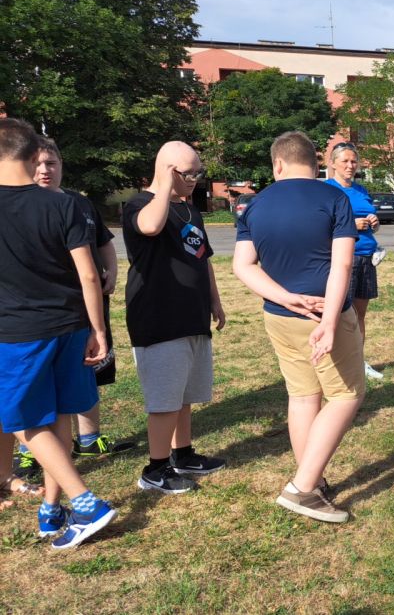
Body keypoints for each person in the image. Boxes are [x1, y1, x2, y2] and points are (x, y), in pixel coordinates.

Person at [234, 131, 363, 523]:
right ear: (316, 162)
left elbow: (242, 266)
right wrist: (327, 319)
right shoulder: (334, 198)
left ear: (278, 165)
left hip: (279, 314)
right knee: (346, 394)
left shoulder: (254, 205)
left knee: (303, 395)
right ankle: (304, 487)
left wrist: (285, 297)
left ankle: (313, 478)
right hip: (327, 314)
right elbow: (341, 265)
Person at [0, 117, 116, 548]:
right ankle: (51, 511)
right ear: (34, 156)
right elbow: (90, 275)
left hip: (17, 334)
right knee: (60, 415)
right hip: (70, 327)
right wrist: (98, 329)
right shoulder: (64, 203)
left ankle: (85, 503)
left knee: (26, 424)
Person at [123, 141, 227, 495]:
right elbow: (150, 227)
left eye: (199, 172)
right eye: (189, 173)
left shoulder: (190, 210)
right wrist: (166, 186)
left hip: (192, 314)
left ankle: (183, 454)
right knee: (165, 399)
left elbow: (203, 257)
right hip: (159, 317)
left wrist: (214, 300)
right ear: (168, 172)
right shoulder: (139, 205)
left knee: (184, 395)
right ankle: (155, 469)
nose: (196, 179)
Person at [34, 138, 134, 459]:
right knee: (42, 377)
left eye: (51, 163)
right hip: (46, 309)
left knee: (90, 369)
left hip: (90, 303)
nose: (44, 170)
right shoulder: (21, 205)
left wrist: (113, 271)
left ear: (61, 165)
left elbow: (104, 242)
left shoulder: (80, 203)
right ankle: (31, 448)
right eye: (37, 163)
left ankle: (89, 439)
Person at [324, 142, 384, 380]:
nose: (350, 165)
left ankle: (359, 361)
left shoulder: (361, 190)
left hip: (366, 258)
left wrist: (375, 223)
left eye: (353, 161)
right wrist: (351, 225)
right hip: (342, 259)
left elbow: (370, 221)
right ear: (332, 163)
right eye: (345, 161)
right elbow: (321, 226)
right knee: (340, 313)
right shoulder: (327, 190)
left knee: (359, 315)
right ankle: (339, 363)